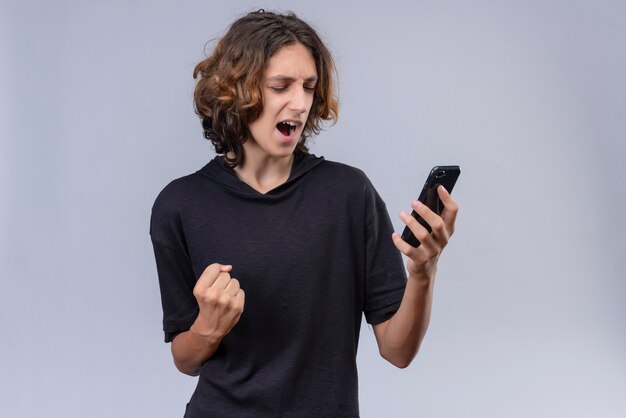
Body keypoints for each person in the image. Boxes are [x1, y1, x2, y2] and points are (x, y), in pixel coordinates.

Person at [150, 9, 458, 418]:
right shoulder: (179, 205)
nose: (299, 103)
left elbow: (397, 351)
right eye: (281, 86)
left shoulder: (349, 194)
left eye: (309, 88)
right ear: (236, 92)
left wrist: (424, 270)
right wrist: (208, 327)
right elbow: (185, 358)